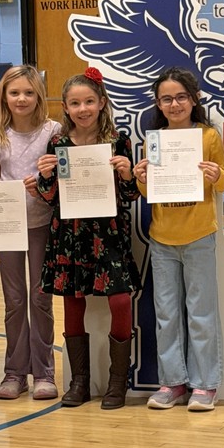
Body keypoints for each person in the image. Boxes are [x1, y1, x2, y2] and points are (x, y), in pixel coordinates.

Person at [36, 67, 141, 410]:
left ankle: (117, 381)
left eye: (89, 102)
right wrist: (46, 176)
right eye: (75, 103)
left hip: (108, 232)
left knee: (120, 300)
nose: (83, 109)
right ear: (65, 108)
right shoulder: (58, 143)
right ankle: (79, 381)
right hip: (70, 233)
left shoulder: (118, 140)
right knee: (72, 300)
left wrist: (127, 173)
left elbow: (129, 194)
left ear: (102, 103)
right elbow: (50, 197)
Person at [134, 67, 224, 412]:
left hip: (199, 236)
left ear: (194, 99)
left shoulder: (207, 136)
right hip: (162, 238)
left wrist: (215, 174)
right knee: (166, 314)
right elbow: (148, 192)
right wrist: (141, 178)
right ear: (158, 104)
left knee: (201, 313)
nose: (174, 104)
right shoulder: (154, 140)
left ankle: (205, 384)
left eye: (181, 97)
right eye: (166, 99)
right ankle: (172, 381)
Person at [0, 65, 62, 400]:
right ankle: (14, 373)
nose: (22, 99)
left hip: (40, 224)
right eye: (14, 92)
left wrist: (45, 184)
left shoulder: (53, 131)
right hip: (6, 226)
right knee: (14, 300)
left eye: (29, 93)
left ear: (39, 97)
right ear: (4, 96)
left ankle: (44, 373)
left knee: (40, 298)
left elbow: (61, 178)